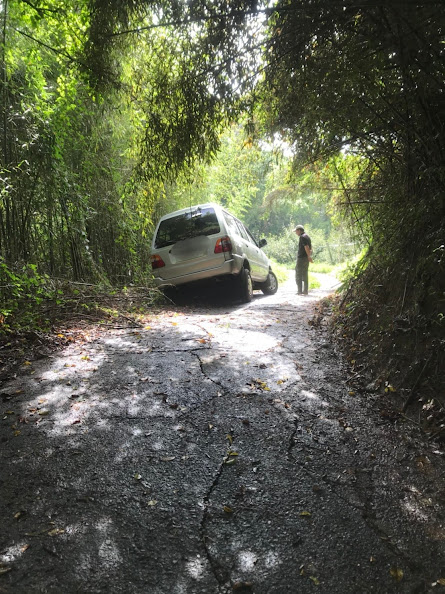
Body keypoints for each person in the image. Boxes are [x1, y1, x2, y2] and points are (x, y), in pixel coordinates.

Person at [294, 225, 313, 295]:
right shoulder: (307, 236)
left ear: (299, 230)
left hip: (301, 258)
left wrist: (309, 256)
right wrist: (309, 255)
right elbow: (310, 247)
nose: (296, 233)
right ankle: (305, 290)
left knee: (298, 274)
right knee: (305, 274)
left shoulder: (302, 237)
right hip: (306, 259)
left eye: (296, 231)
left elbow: (306, 247)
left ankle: (299, 291)